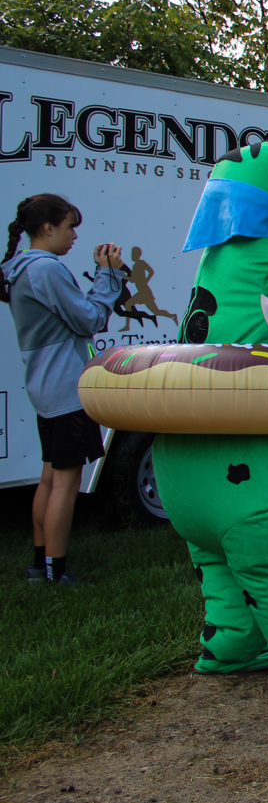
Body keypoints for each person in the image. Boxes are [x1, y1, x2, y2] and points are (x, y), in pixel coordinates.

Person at [0, 194, 125, 586]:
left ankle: (41, 565)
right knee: (66, 485)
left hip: (46, 389)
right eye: (70, 227)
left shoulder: (20, 268)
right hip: (67, 390)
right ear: (48, 227)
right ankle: (57, 572)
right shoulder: (46, 269)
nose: (74, 236)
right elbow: (89, 319)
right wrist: (108, 275)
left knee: (49, 478)